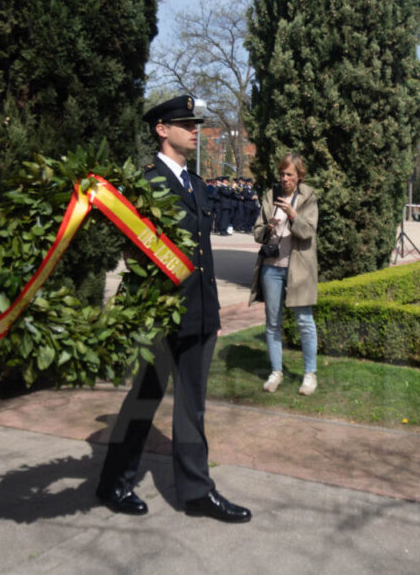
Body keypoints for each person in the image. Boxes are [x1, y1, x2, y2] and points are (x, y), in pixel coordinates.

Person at [97, 95, 251, 523]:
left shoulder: (197, 186)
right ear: (162, 130)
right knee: (144, 400)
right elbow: (130, 248)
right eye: (185, 122)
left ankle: (196, 491)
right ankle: (115, 482)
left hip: (199, 311)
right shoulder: (146, 183)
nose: (194, 128)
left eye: (195, 122)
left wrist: (212, 313)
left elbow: (202, 255)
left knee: (191, 406)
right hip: (161, 314)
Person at [252, 153, 319, 395]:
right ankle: (276, 371)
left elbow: (308, 231)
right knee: (272, 323)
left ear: (300, 176)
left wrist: (291, 213)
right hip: (271, 268)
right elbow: (256, 232)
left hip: (298, 268)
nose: (284, 178)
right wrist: (267, 227)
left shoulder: (308, 197)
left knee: (304, 321)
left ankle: (309, 374)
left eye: (289, 174)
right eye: (281, 174)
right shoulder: (271, 196)